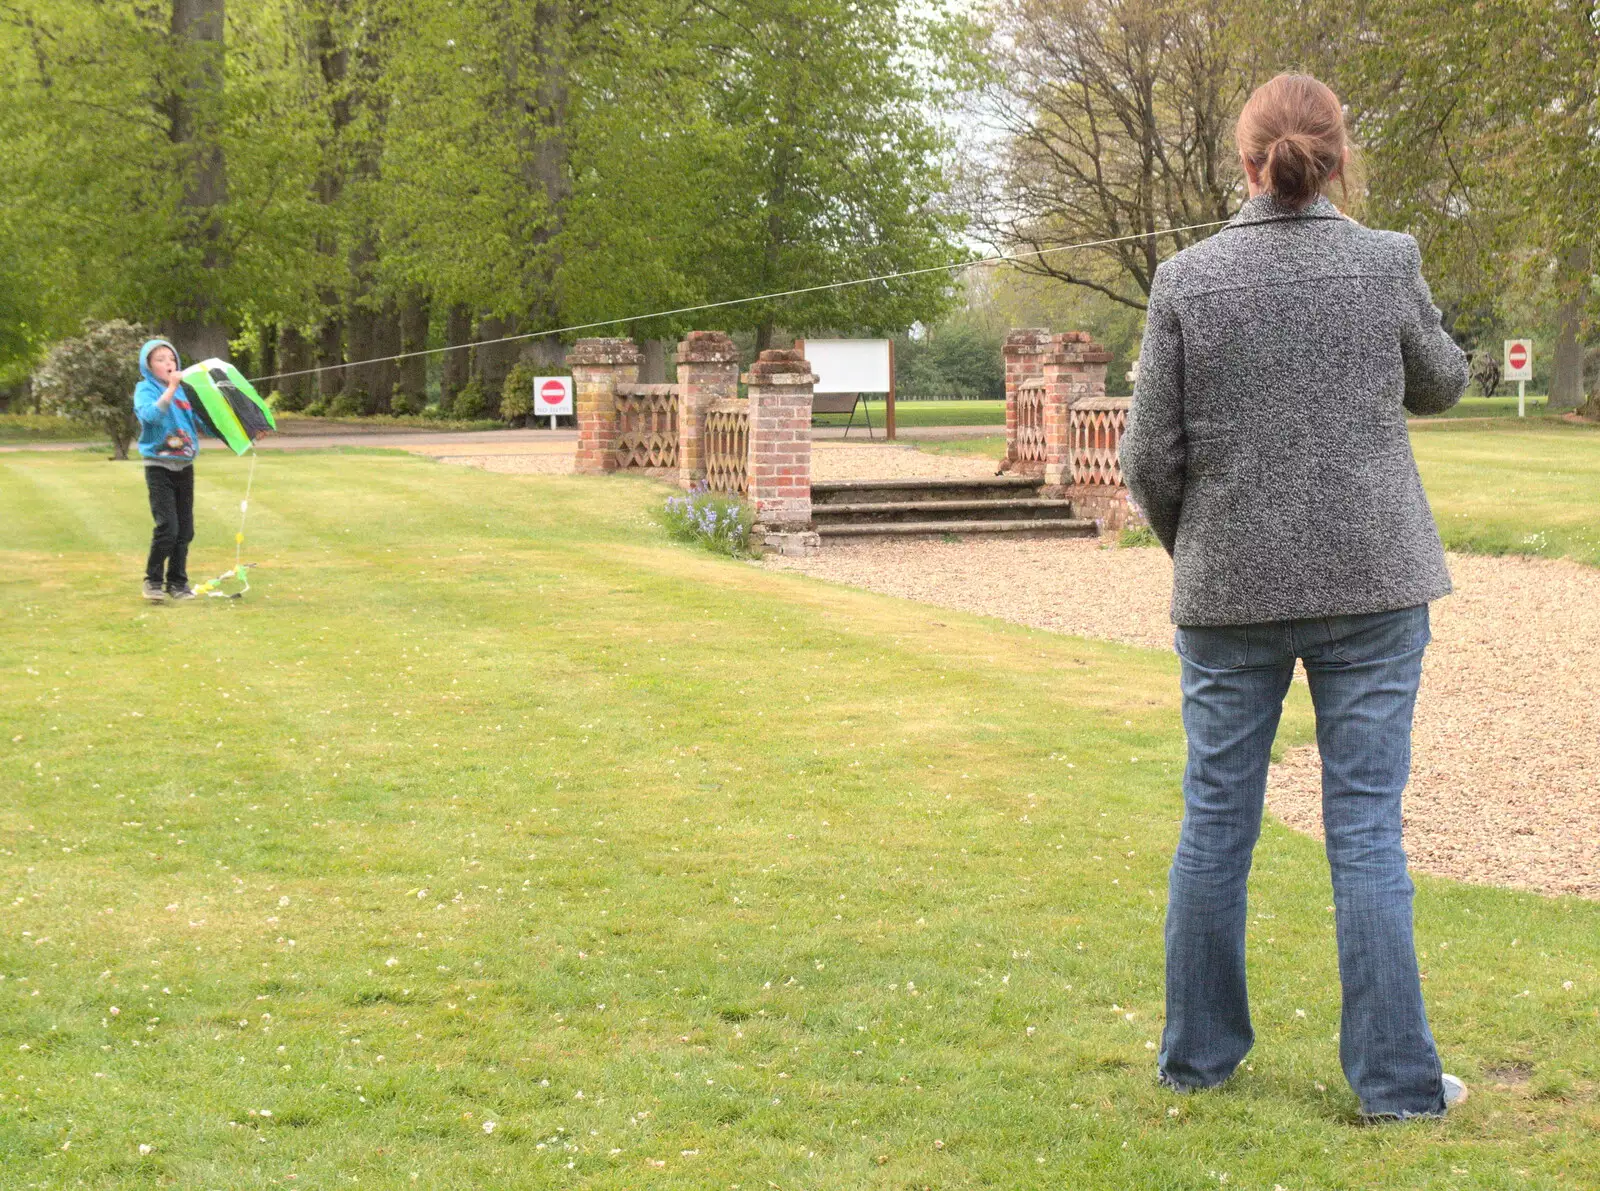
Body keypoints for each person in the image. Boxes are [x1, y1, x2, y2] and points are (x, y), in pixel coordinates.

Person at [1119, 73, 1471, 1121]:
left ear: (1245, 159)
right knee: (1364, 827)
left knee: (1214, 820)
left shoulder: (1187, 277)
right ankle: (1397, 1088)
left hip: (1231, 589)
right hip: (1373, 578)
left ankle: (1198, 1060)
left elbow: (1147, 457)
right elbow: (1443, 381)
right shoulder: (1383, 260)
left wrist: (1201, 545)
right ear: (1338, 157)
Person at [134, 338, 204, 603]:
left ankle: (177, 583)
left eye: (171, 359)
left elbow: (204, 423)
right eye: (160, 359)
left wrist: (246, 434)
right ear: (148, 366)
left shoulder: (185, 392)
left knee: (185, 531)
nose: (168, 363)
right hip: (159, 467)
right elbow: (151, 416)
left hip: (185, 467)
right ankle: (152, 582)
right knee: (168, 528)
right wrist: (171, 389)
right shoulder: (145, 389)